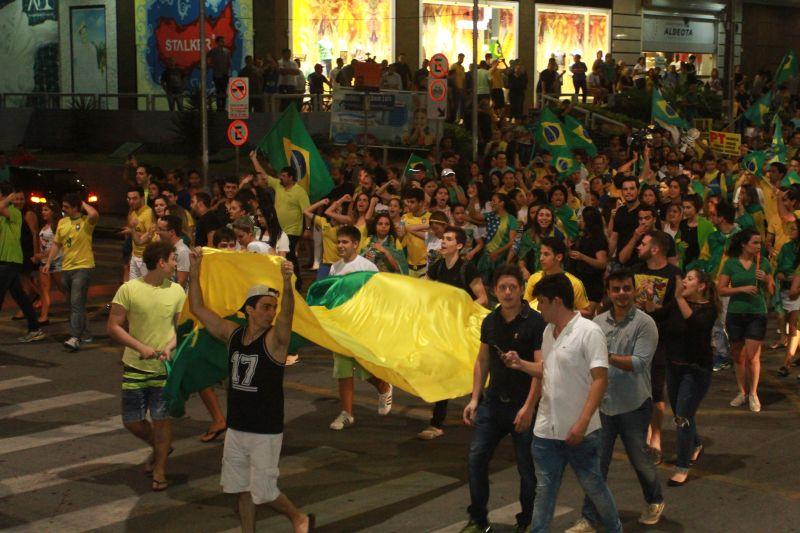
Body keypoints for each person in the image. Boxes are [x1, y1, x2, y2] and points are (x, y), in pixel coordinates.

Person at [187, 249, 314, 533]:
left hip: (265, 430)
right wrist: (194, 270)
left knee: (265, 491)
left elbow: (288, 317)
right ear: (249, 309)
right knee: (241, 489)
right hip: (237, 427)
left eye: (273, 306)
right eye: (266, 307)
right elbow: (198, 308)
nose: (271, 312)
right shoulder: (232, 335)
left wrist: (286, 283)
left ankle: (298, 518)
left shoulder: (276, 341)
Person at [507, 273, 621, 533]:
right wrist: (521, 364)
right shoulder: (548, 332)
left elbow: (600, 380)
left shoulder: (589, 332)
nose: (539, 308)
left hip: (581, 432)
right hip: (547, 430)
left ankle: (615, 528)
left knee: (594, 486)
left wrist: (581, 423)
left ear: (556, 301)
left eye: (542, 302)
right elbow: (547, 369)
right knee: (544, 490)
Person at [567, 269, 664, 532]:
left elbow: (640, 363)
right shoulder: (597, 323)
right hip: (603, 406)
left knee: (641, 461)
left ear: (634, 290)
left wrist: (605, 356)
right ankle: (589, 516)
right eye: (616, 289)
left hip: (633, 404)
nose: (621, 294)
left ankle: (655, 500)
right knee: (597, 464)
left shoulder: (645, 324)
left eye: (626, 288)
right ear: (608, 293)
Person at [460, 264, 544, 533]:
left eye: (513, 287)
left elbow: (541, 371)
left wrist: (530, 408)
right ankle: (478, 519)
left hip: (524, 406)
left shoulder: (535, 322)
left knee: (527, 470)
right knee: (476, 458)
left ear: (522, 290)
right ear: (494, 291)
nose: (507, 293)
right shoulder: (490, 321)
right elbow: (482, 360)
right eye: (502, 288)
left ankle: (527, 520)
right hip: (493, 404)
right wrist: (475, 399)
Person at [107, 241, 186, 492]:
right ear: (161, 262)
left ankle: (160, 470)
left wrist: (171, 346)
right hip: (134, 365)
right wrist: (139, 347)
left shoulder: (177, 291)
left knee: (162, 421)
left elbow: (181, 329)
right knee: (132, 421)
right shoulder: (128, 289)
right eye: (173, 259)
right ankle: (160, 445)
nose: (176, 264)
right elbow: (114, 326)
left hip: (164, 370)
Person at [419, 226, 487, 441]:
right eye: (443, 239)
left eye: (448, 239)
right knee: (445, 371)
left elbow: (483, 298)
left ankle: (483, 415)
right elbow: (424, 289)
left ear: (459, 245)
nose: (443, 242)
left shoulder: (467, 268)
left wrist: (462, 313)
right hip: (444, 328)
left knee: (470, 371)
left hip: (464, 329)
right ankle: (436, 423)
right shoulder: (438, 266)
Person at [328, 225, 393, 431]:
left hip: (362, 326)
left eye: (345, 242)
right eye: (338, 242)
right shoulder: (334, 267)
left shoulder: (366, 266)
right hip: (341, 326)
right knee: (343, 370)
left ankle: (384, 386)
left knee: (365, 368)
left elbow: (378, 295)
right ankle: (347, 413)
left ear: (356, 244)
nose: (340, 245)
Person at [633, 230, 683, 465]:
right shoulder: (636, 271)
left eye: (642, 243)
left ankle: (656, 437)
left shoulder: (674, 275)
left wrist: (656, 310)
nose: (637, 247)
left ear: (655, 249)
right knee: (638, 388)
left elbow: (677, 308)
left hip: (663, 339)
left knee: (656, 388)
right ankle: (643, 434)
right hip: (636, 339)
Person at [668, 269, 719, 485]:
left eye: (690, 279)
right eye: (685, 278)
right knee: (682, 412)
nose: (684, 282)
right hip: (674, 366)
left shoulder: (709, 308)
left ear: (701, 286)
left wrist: (679, 297)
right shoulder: (677, 305)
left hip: (695, 369)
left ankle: (682, 466)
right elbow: (664, 321)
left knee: (682, 417)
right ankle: (695, 444)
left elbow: (696, 325)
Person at [717, 228, 774, 412]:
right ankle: (742, 391)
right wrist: (741, 289)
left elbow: (772, 291)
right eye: (755, 243)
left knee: (753, 356)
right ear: (744, 244)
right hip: (735, 313)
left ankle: (753, 393)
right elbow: (721, 289)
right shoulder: (731, 264)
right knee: (738, 356)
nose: (759, 246)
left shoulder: (763, 263)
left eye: (760, 243)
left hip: (756, 313)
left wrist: (766, 279)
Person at [43, 194, 99, 351]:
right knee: (75, 304)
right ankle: (86, 333)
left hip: (83, 267)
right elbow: (56, 244)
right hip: (66, 268)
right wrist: (49, 262)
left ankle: (75, 337)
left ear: (75, 207)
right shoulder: (62, 222)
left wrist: (82, 202)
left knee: (75, 303)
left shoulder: (86, 222)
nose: (63, 209)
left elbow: (94, 214)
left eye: (67, 206)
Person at [0, 183, 45, 342]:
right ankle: (35, 328)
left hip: (10, 260)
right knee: (20, 296)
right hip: (5, 260)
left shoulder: (14, 213)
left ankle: (35, 328)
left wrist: (9, 198)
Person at [524, 237, 591, 316]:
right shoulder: (534, 278)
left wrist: (563, 312)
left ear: (559, 257)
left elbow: (587, 312)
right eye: (541, 254)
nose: (541, 258)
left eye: (546, 254)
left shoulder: (574, 283)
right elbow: (526, 306)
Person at [35, 201, 62, 325]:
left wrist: (43, 255)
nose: (43, 212)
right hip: (44, 261)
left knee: (63, 288)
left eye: (46, 210)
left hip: (56, 261)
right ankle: (44, 316)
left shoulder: (57, 226)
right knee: (44, 289)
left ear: (53, 212)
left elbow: (58, 245)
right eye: (42, 210)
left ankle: (76, 310)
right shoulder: (45, 226)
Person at [125, 187, 156, 280]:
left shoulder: (149, 213)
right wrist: (132, 255)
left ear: (142, 198)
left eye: (134, 198)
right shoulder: (133, 213)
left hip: (145, 258)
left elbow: (151, 236)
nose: (131, 202)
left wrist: (132, 231)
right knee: (133, 288)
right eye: (129, 199)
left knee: (146, 288)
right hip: (135, 256)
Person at [401, 188, 431, 278]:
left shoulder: (431, 217)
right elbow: (400, 234)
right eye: (408, 202)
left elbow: (430, 236)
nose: (409, 205)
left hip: (426, 266)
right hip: (409, 266)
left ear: (421, 202)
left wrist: (409, 228)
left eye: (412, 202)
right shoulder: (404, 217)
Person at [155, 215, 190, 287]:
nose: (157, 232)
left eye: (161, 229)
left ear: (171, 232)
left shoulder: (183, 252)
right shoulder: (165, 248)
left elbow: (181, 281)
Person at [208, 36, 232, 111]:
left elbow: (229, 63)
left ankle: (224, 107)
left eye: (223, 41)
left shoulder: (227, 51)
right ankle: (219, 107)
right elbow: (209, 62)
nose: (223, 42)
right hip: (217, 75)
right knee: (218, 91)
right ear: (217, 42)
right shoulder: (213, 51)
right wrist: (215, 67)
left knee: (224, 91)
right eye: (221, 41)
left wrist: (228, 73)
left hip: (225, 75)